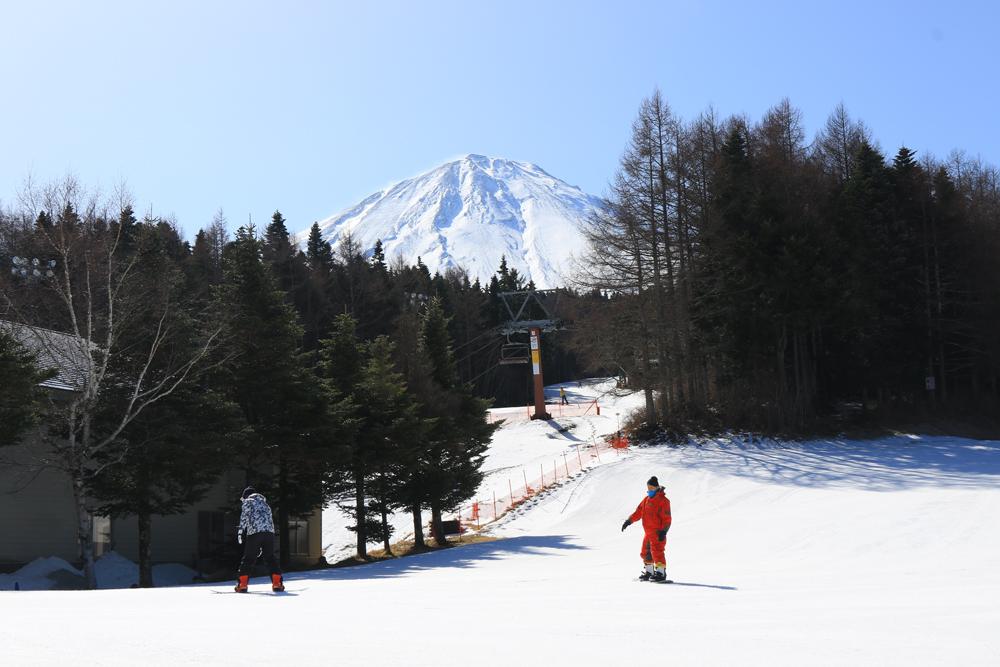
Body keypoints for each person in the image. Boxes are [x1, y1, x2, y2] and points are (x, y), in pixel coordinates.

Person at [621, 476, 672, 582]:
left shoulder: (663, 501)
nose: (649, 490)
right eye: (648, 488)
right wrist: (629, 521)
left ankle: (661, 573)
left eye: (651, 488)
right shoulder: (646, 500)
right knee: (645, 552)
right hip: (648, 533)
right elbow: (638, 512)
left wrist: (664, 531)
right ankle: (649, 572)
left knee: (657, 552)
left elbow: (667, 518)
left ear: (657, 488)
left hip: (658, 533)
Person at [234, 486, 284, 592]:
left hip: (254, 533)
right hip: (269, 533)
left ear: (246, 496)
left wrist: (240, 532)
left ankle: (242, 585)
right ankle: (277, 584)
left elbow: (244, 518)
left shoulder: (248, 502)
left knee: (249, 558)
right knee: (270, 557)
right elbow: (269, 519)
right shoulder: (265, 504)